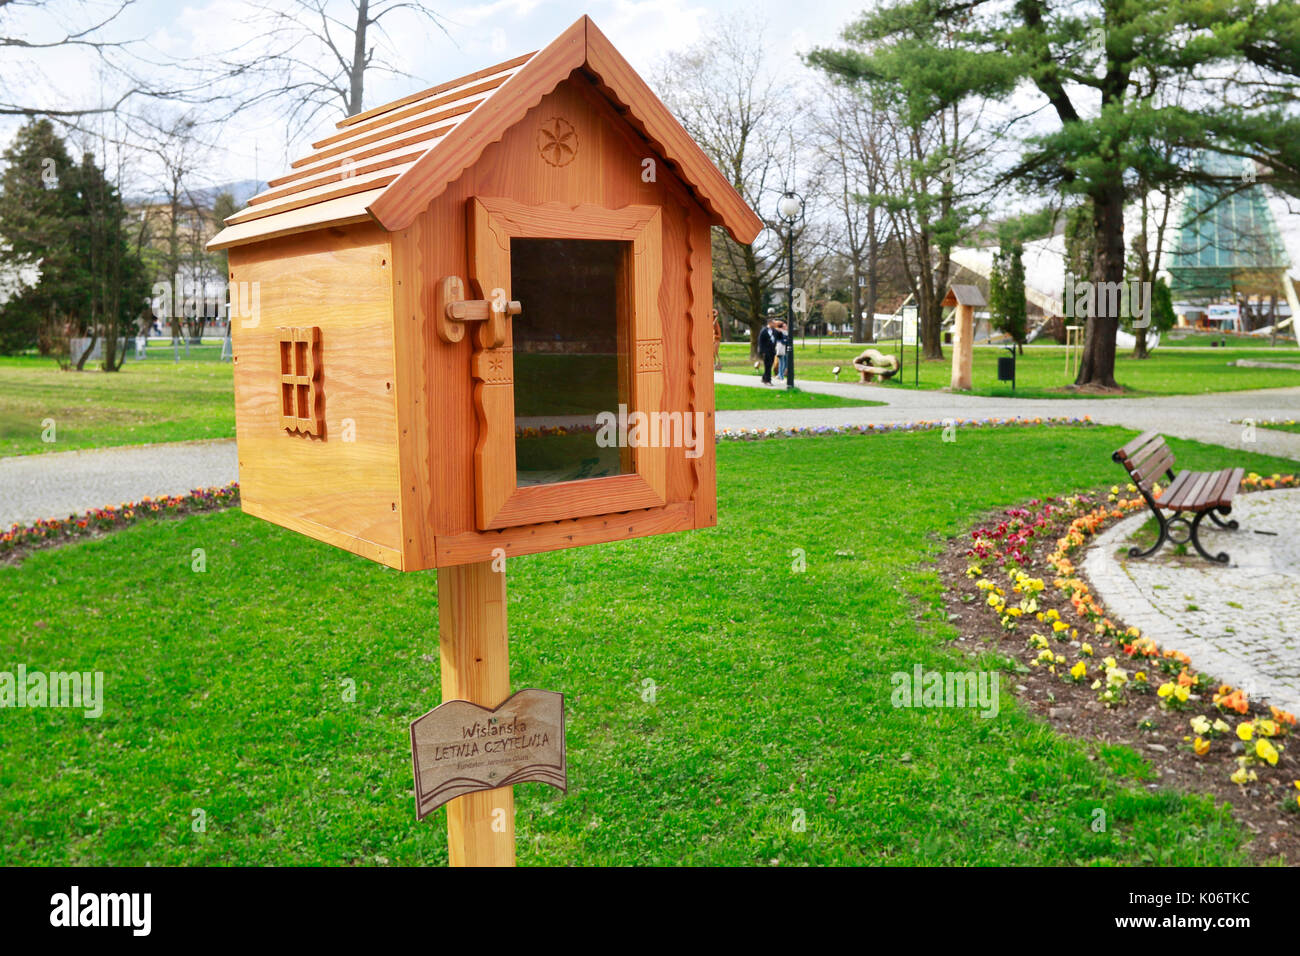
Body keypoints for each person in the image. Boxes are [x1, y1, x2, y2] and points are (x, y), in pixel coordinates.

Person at [757, 318, 779, 384]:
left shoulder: (775, 331)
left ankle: (764, 377)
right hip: (766, 351)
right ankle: (768, 380)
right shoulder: (764, 331)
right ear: (769, 323)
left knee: (769, 365)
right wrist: (762, 352)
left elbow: (778, 337)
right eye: (773, 323)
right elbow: (760, 342)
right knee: (767, 365)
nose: (775, 324)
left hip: (772, 351)